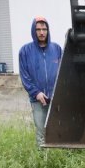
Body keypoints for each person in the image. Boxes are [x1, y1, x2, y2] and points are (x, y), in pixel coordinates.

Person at [18, 16, 63, 147]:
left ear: (48, 31)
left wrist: (58, 93)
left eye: (44, 29)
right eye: (38, 29)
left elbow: (62, 72)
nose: (42, 32)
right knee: (41, 133)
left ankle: (56, 159)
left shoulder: (57, 49)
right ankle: (42, 161)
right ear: (33, 31)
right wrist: (36, 93)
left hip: (55, 99)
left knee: (57, 130)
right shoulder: (25, 51)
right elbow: (24, 76)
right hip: (37, 99)